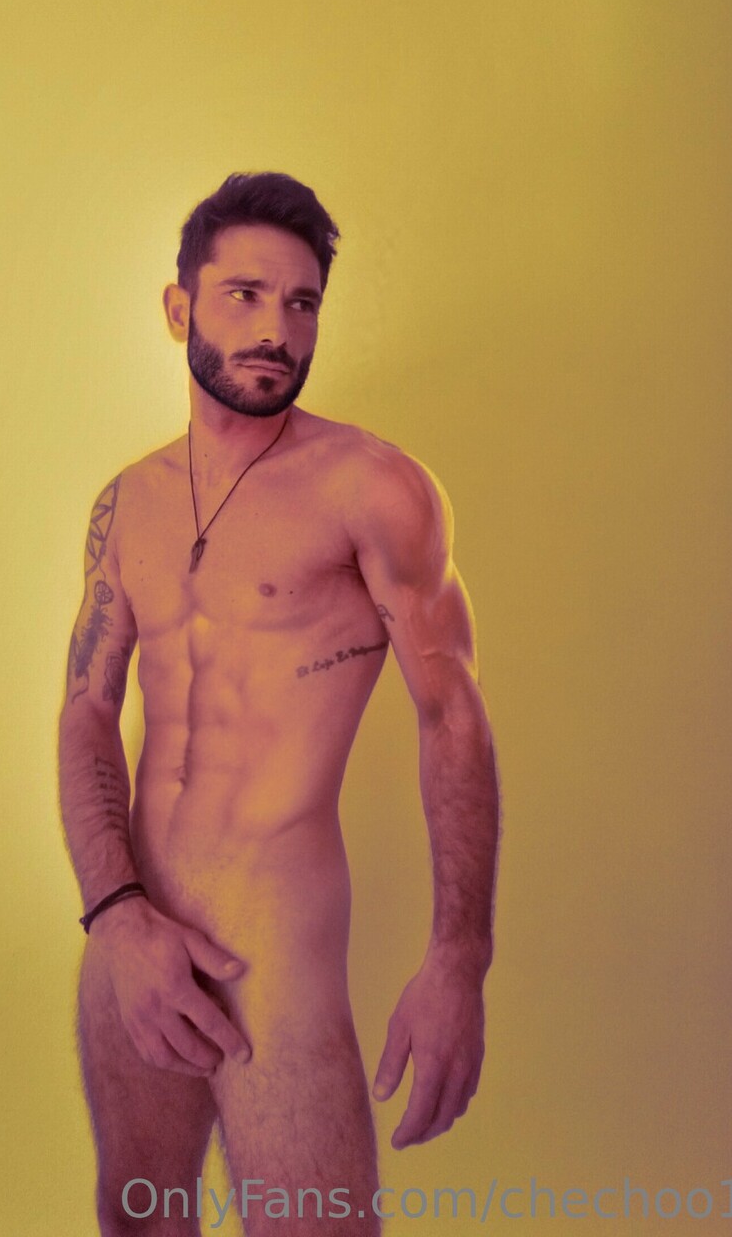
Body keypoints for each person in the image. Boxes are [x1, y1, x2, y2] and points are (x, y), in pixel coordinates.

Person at [58, 172, 499, 1236]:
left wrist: (458, 960)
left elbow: (452, 716)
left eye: (302, 303)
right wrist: (116, 914)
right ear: (180, 309)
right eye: (246, 295)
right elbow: (87, 713)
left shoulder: (373, 489)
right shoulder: (128, 502)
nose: (277, 330)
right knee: (137, 1220)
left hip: (273, 952)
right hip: (131, 935)